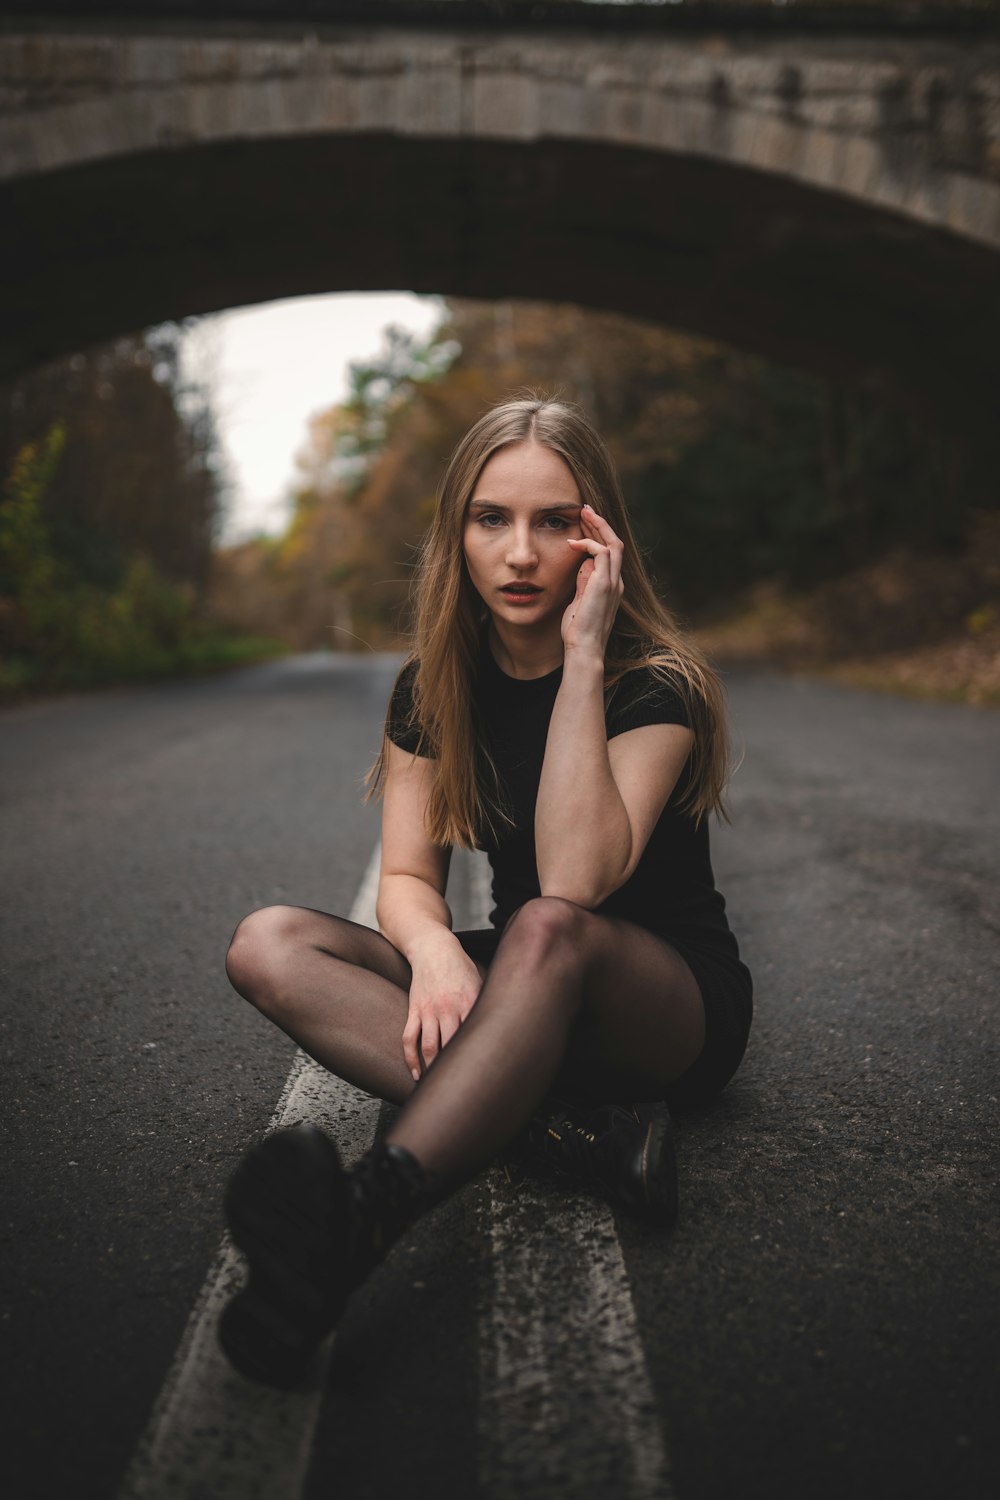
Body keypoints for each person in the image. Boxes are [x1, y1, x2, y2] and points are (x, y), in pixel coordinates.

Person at [220, 396, 752, 1387]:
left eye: (554, 521)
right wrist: (431, 957)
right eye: (490, 518)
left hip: (661, 1004)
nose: (518, 553)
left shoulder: (654, 685)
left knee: (548, 922)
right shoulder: (434, 687)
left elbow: (575, 879)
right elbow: (412, 878)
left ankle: (359, 1225)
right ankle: (579, 1135)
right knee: (269, 943)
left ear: (599, 541)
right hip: (520, 983)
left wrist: (584, 654)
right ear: (455, 532)